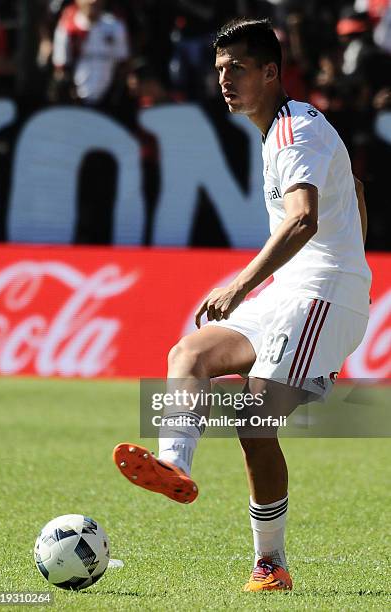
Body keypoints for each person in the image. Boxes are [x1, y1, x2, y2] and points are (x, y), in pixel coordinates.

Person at [113, 18, 371, 593]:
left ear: (272, 72)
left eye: (238, 69)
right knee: (189, 354)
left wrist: (240, 284)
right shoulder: (283, 129)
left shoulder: (293, 132)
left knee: (254, 421)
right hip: (293, 291)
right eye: (220, 70)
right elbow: (351, 190)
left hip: (325, 294)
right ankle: (175, 465)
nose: (224, 80)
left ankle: (270, 564)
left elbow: (304, 217)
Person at [51, 0, 130, 109]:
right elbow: (61, 69)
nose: (92, 2)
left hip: (109, 102)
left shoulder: (115, 26)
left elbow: (122, 63)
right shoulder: (68, 26)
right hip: (75, 102)